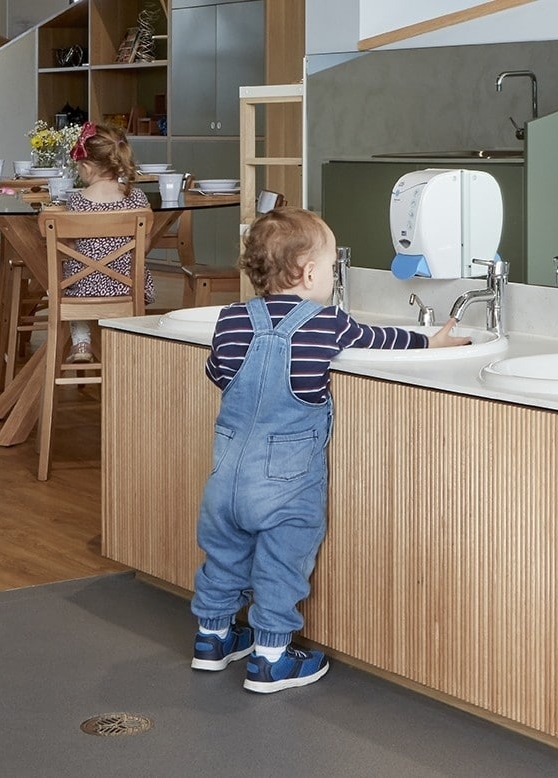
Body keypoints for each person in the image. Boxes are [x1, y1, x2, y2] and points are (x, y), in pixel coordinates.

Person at [189, 207, 469, 693]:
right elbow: (379, 340)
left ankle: (211, 639)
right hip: (287, 486)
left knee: (223, 556)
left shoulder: (231, 319)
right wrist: (431, 344)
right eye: (332, 270)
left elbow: (217, 373)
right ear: (311, 273)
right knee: (280, 565)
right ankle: (271, 658)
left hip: (226, 477)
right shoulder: (327, 324)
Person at [62, 123, 154, 363]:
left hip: (84, 291)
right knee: (131, 268)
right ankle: (123, 338)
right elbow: (143, 248)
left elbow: (70, 248)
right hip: (128, 287)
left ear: (87, 167)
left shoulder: (77, 202)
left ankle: (81, 341)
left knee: (70, 278)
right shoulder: (137, 198)